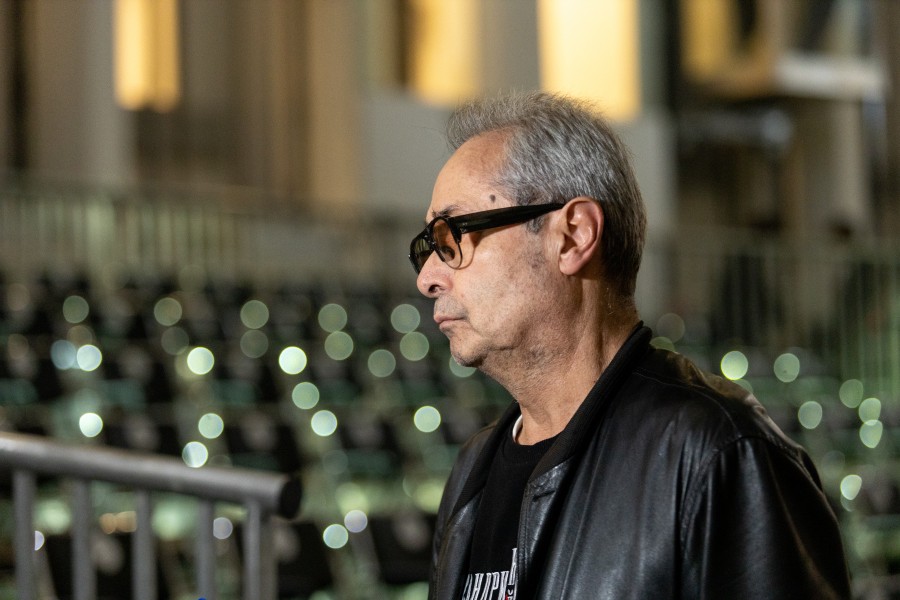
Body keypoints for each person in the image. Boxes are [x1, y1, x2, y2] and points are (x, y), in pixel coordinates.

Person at [408, 92, 851, 600]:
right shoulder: (472, 469)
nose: (427, 278)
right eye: (427, 248)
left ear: (573, 236)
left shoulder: (719, 451)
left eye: (451, 237)